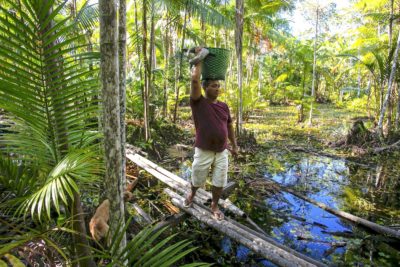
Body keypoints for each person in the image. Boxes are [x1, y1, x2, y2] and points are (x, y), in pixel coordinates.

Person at [184, 48, 238, 220]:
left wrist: (234, 146)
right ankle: (192, 194)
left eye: (218, 86)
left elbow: (229, 126)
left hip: (222, 150)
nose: (217, 89)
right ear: (205, 87)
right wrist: (200, 58)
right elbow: (194, 80)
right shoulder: (198, 102)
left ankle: (214, 205)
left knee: (219, 181)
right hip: (204, 149)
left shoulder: (224, 106)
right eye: (214, 86)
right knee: (197, 177)